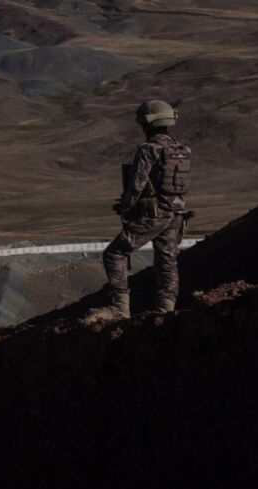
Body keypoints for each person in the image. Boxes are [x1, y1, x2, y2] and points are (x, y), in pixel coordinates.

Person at [85, 100, 192, 323]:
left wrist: (125, 206)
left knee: (114, 253)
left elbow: (137, 184)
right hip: (177, 214)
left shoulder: (149, 149)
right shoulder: (181, 149)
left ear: (147, 122)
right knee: (167, 260)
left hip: (155, 214)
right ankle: (166, 310)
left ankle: (119, 308)